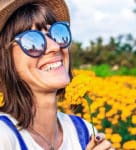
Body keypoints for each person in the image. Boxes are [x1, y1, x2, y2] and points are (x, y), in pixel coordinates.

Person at [0, 0, 114, 150]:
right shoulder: (4, 137)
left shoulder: (84, 131)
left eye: (56, 33)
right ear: (4, 61)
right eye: (32, 40)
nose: (54, 46)